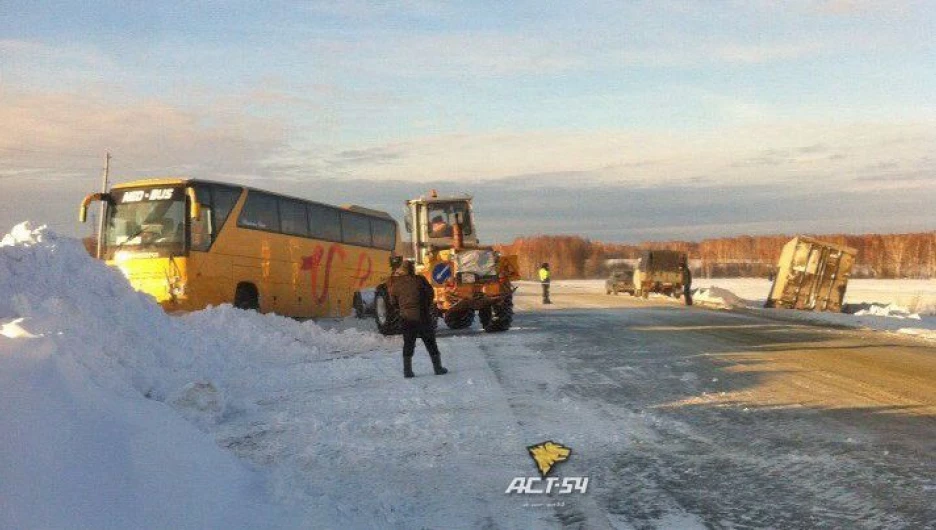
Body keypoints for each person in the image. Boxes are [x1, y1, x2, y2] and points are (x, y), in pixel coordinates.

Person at [389, 261, 448, 378]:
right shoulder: (420, 280)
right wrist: (425, 306)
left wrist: (402, 308)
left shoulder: (396, 284)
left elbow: (393, 301)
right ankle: (438, 368)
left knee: (408, 343)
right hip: (423, 316)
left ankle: (407, 371)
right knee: (430, 343)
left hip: (406, 318)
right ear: (413, 269)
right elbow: (430, 294)